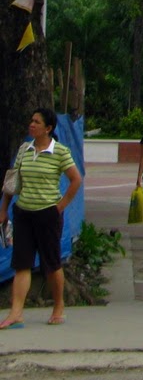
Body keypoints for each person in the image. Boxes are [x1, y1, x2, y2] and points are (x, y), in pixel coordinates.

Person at [0, 108, 83, 327]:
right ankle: (16, 312)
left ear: (48, 128)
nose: (32, 124)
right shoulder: (24, 150)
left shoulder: (60, 152)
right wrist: (4, 209)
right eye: (31, 120)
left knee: (52, 264)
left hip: (48, 215)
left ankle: (58, 306)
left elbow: (75, 180)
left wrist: (61, 206)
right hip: (23, 213)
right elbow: (12, 182)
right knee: (22, 264)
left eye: (37, 122)